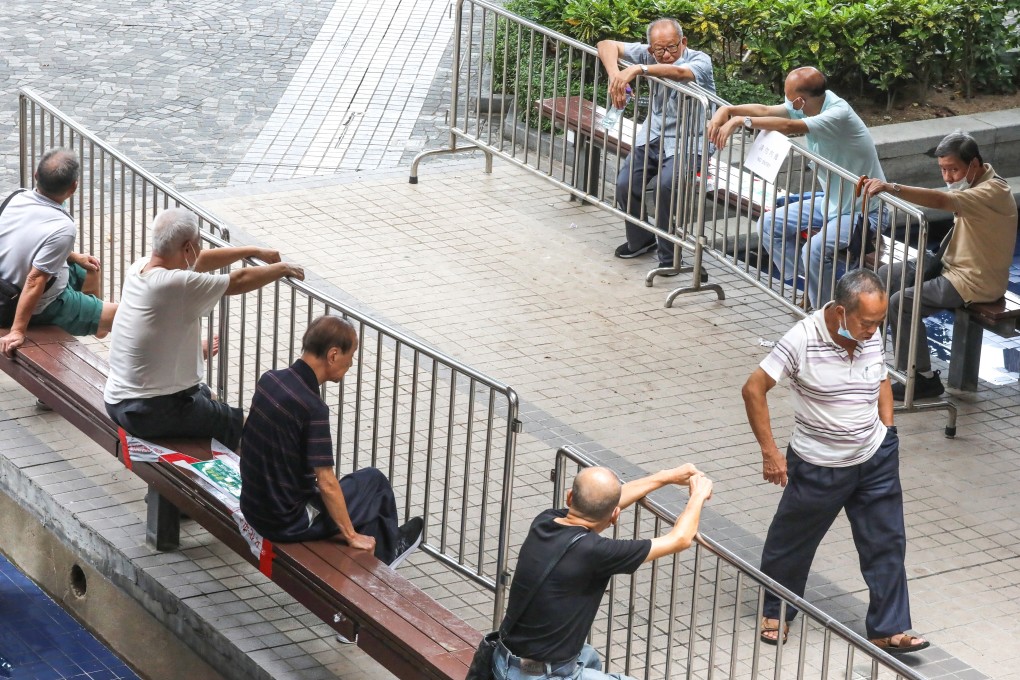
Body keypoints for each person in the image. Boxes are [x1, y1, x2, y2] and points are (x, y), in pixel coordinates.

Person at [741, 269, 929, 656]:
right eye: (867, 322)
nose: (874, 329)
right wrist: (770, 452)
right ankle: (777, 611)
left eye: (880, 322)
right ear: (841, 312)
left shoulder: (869, 332)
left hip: (874, 457)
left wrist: (888, 432)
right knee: (792, 542)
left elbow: (880, 379)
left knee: (886, 543)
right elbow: (753, 388)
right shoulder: (802, 339)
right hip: (818, 464)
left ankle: (888, 628)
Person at [104, 207, 304, 449]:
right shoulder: (174, 283)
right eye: (198, 243)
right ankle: (252, 480)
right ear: (187, 248)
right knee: (247, 424)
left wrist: (253, 250)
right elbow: (238, 280)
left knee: (210, 396)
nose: (199, 251)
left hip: (121, 399)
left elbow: (200, 260)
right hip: (149, 409)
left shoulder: (140, 267)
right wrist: (282, 269)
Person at [492, 464, 713, 679]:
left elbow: (601, 502)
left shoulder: (545, 521)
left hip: (506, 661)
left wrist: (666, 477)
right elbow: (680, 539)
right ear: (615, 516)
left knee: (588, 656)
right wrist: (698, 496)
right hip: (542, 675)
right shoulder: (596, 552)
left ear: (570, 498)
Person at [239, 315, 423, 566]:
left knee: (354, 498)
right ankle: (389, 553)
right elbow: (326, 482)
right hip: (287, 523)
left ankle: (381, 544)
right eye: (351, 356)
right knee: (374, 482)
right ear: (333, 354)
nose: (351, 363)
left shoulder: (270, 379)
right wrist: (351, 535)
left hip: (253, 507)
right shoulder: (312, 407)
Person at [709, 67, 885, 308]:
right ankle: (817, 286)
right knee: (770, 225)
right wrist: (728, 110)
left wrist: (741, 121)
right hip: (832, 202)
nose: (786, 101)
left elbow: (789, 126)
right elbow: (766, 110)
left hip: (864, 210)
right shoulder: (809, 103)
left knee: (813, 250)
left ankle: (824, 312)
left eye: (788, 96)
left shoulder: (837, 113)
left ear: (801, 101)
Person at [862, 131, 1018, 400]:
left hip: (973, 281)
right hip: (949, 265)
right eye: (943, 170)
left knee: (903, 302)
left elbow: (941, 201)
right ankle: (866, 353)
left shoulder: (992, 191)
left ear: (975, 164)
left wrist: (891, 187)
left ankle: (922, 378)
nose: (947, 178)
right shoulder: (973, 183)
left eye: (953, 170)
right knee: (884, 275)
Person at [597, 19, 715, 273]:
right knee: (625, 184)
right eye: (659, 51)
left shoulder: (700, 60)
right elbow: (606, 44)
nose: (666, 55)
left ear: (683, 42)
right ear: (650, 49)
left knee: (666, 185)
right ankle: (641, 240)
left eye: (672, 48)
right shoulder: (649, 54)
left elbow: (682, 74)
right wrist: (615, 76)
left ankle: (670, 254)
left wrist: (638, 69)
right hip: (653, 135)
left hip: (689, 141)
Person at [0, 148, 117, 355]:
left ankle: (94, 319)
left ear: (36, 175)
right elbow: (35, 280)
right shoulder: (63, 227)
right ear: (74, 187)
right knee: (124, 315)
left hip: (7, 288)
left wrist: (74, 256)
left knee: (90, 268)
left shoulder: (17, 197)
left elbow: (27, 242)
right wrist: (17, 330)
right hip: (37, 305)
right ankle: (98, 320)